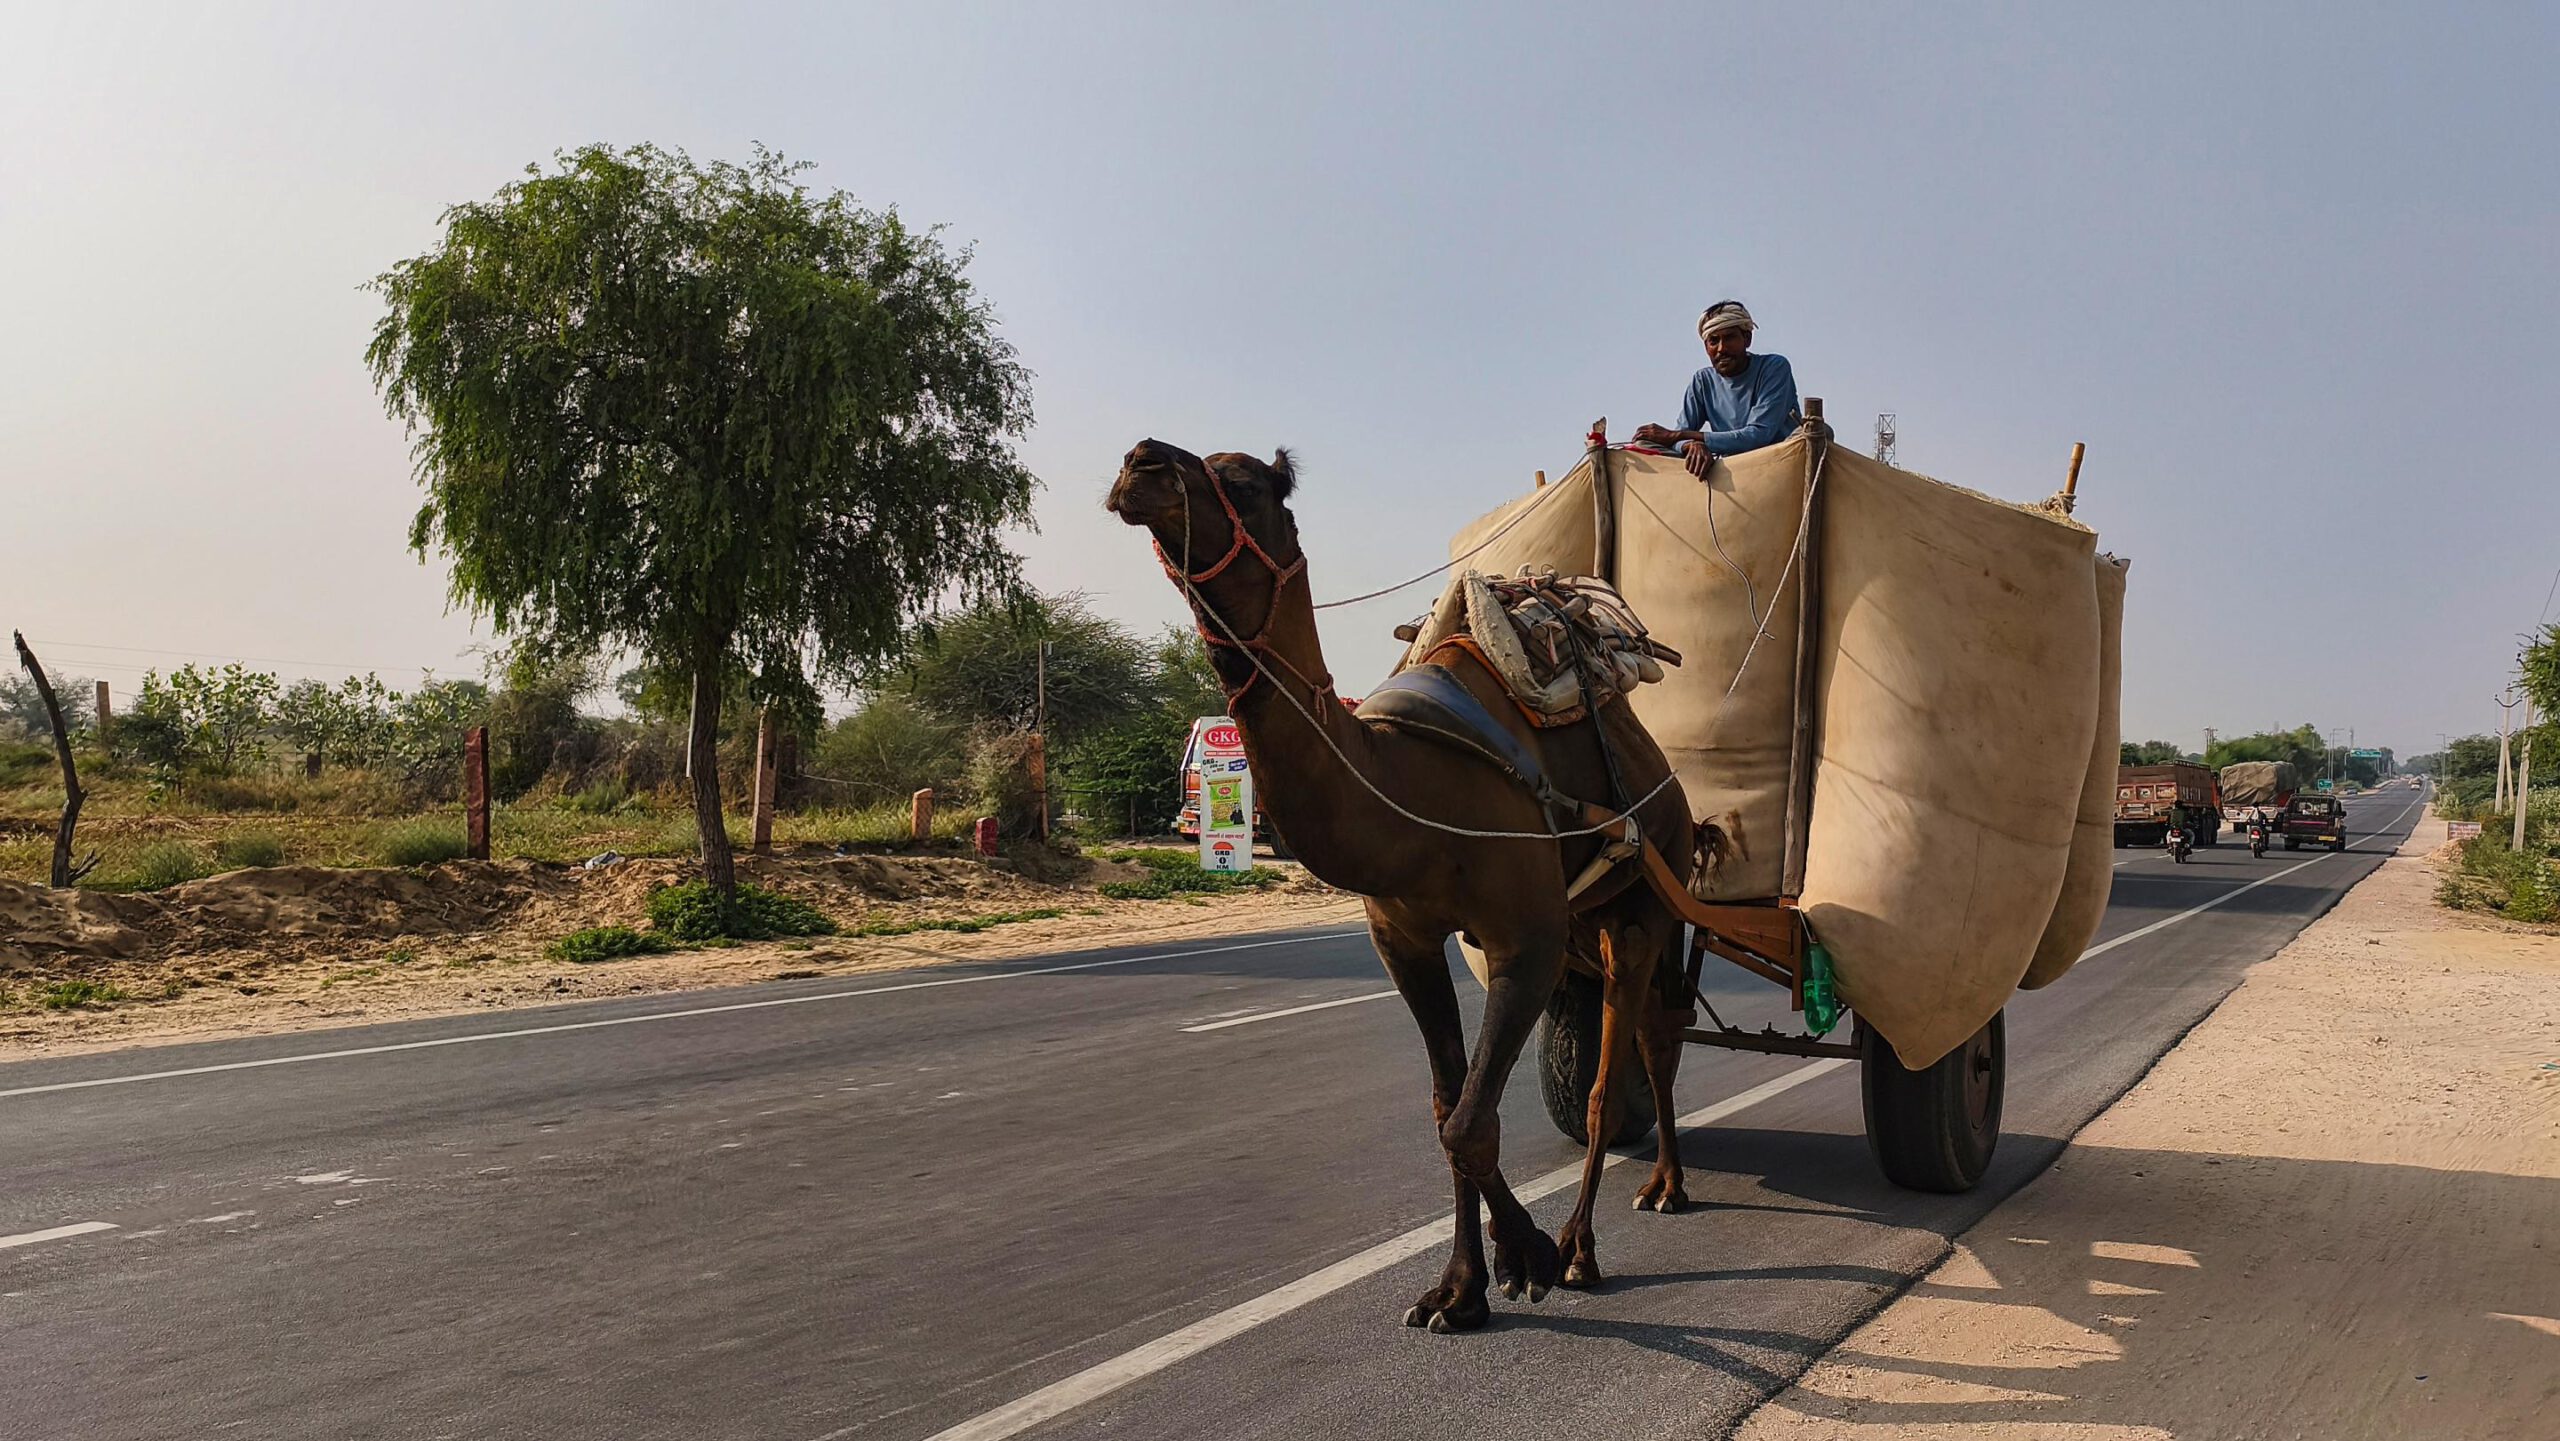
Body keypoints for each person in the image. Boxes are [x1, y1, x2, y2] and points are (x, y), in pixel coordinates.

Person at [1632, 300, 1800, 477]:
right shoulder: (1703, 381)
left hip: (1776, 462)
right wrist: (1691, 444)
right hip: (1729, 466)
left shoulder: (1773, 367)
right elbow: (1677, 440)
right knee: (1644, 445)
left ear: (1747, 339)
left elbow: (1757, 436)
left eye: (1729, 338)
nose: (1721, 348)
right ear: (1706, 347)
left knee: (1815, 433)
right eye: (1714, 341)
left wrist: (1678, 435)